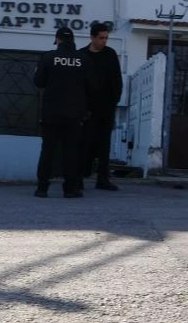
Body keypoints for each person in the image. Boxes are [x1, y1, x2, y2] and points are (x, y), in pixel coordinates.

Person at [33, 27, 92, 198]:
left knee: (48, 151)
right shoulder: (84, 59)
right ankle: (70, 189)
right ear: (72, 40)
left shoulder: (48, 57)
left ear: (57, 40)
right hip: (75, 113)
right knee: (71, 151)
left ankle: (42, 188)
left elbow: (39, 82)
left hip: (51, 113)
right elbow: (91, 86)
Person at [78, 22, 123, 191]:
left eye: (106, 38)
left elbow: (117, 80)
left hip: (106, 107)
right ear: (92, 37)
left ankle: (102, 178)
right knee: (84, 143)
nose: (104, 41)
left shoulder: (110, 54)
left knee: (104, 144)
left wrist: (114, 101)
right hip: (87, 109)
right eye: (101, 38)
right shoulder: (82, 55)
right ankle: (80, 177)